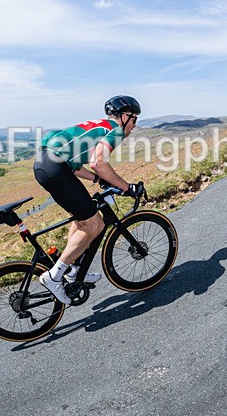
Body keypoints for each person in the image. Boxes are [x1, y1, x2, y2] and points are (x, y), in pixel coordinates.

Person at [34, 95, 143, 304]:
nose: (134, 125)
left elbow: (77, 165)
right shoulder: (115, 130)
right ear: (124, 116)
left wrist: (99, 179)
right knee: (96, 224)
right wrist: (127, 187)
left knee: (82, 218)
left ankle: (73, 270)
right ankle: (54, 276)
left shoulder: (97, 126)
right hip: (56, 168)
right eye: (134, 119)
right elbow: (98, 162)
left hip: (46, 164)